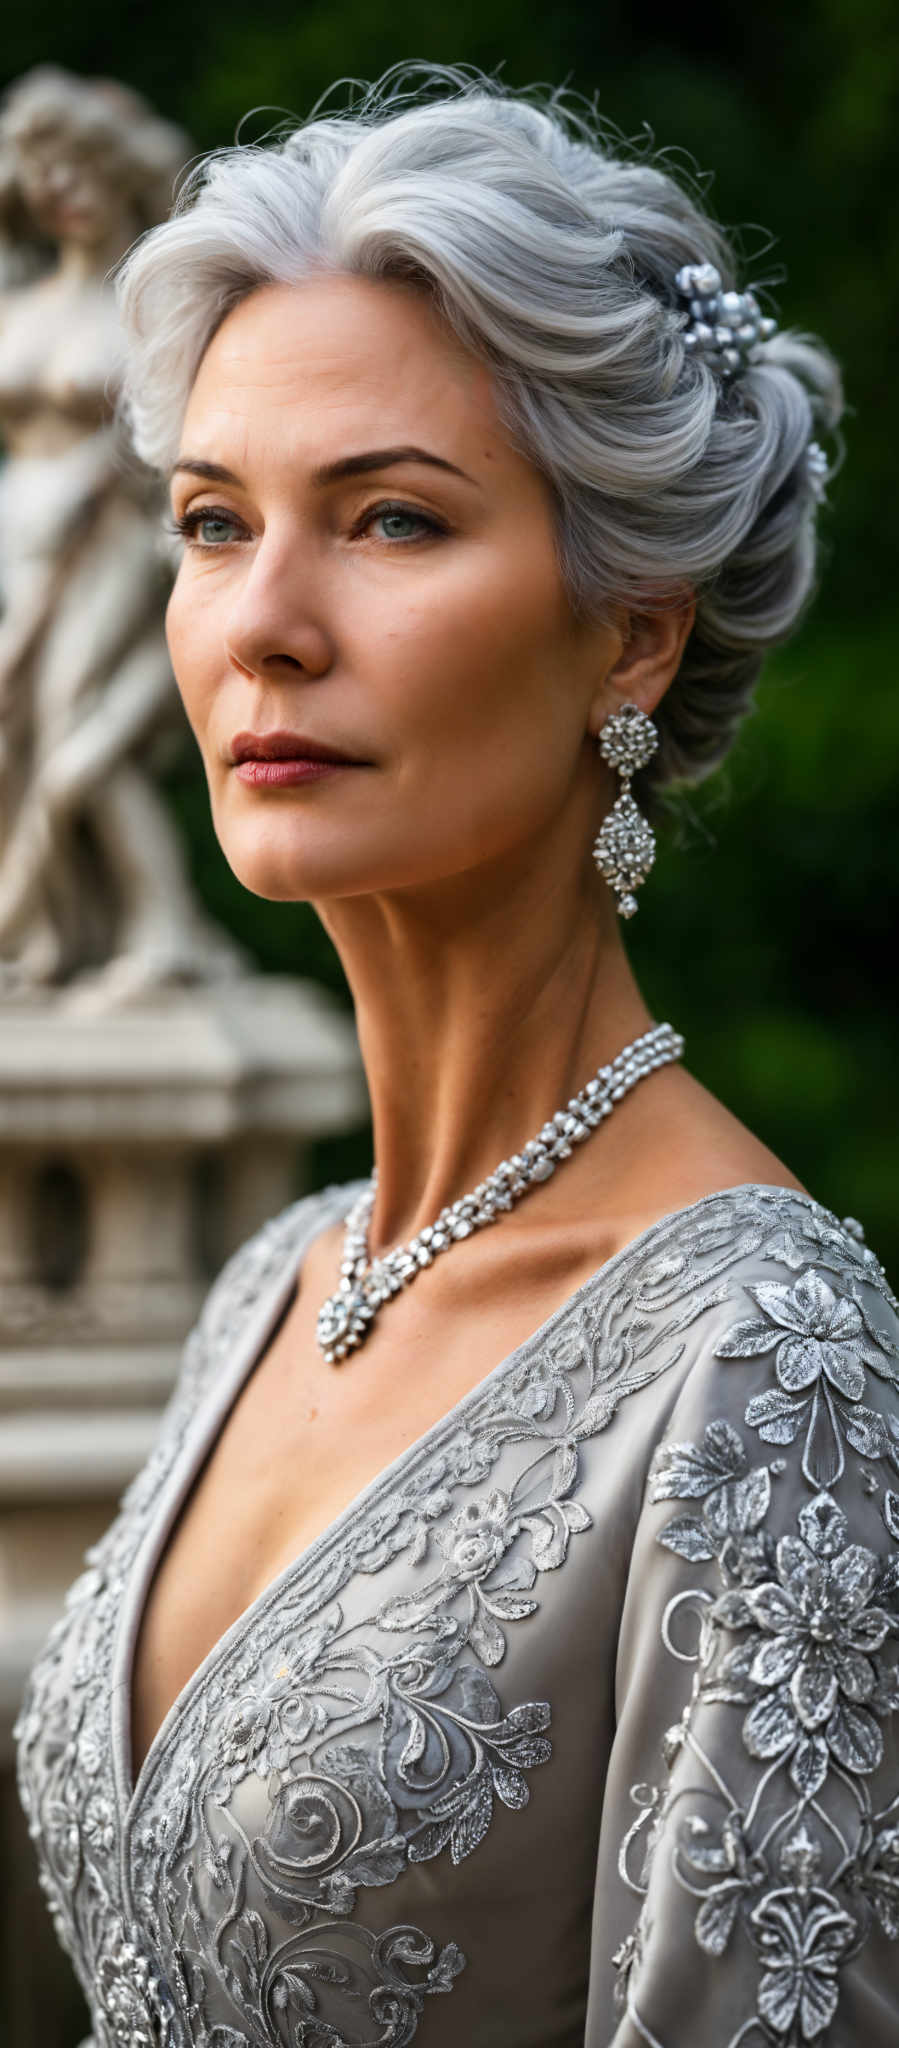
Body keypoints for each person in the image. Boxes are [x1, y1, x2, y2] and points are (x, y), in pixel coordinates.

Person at [15, 68, 899, 2048]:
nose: (262, 624)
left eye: (389, 518)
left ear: (629, 637)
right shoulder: (280, 1276)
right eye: (211, 522)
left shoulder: (756, 1360)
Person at [0, 67, 239, 1004]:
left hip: (115, 558)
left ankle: (165, 935)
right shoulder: (16, 303)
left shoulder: (159, 314)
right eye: (40, 166)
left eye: (77, 164)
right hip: (18, 543)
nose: (59, 185)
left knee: (80, 752)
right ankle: (53, 943)